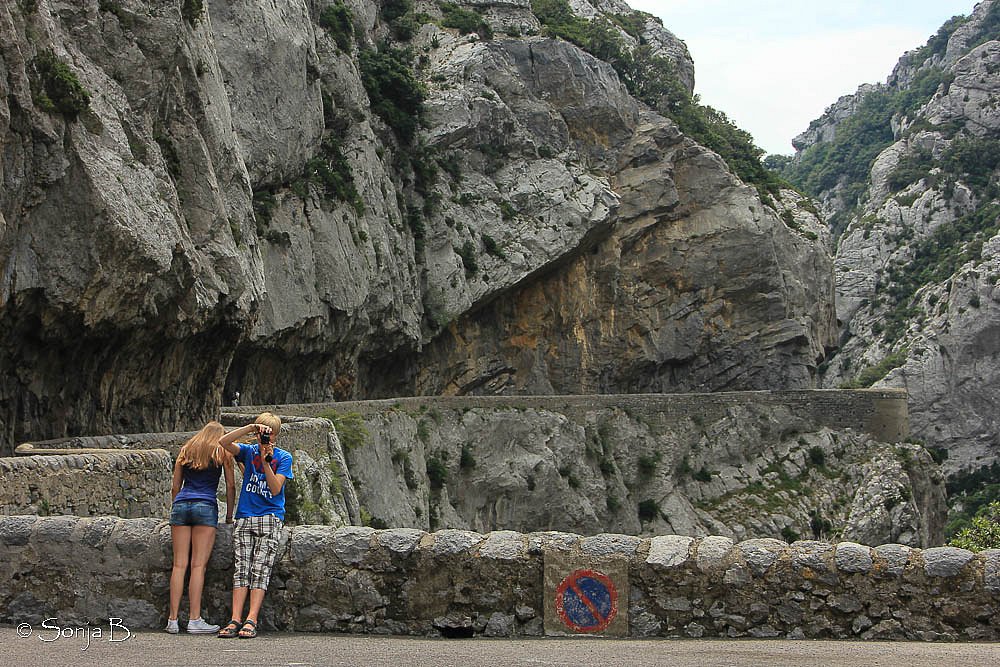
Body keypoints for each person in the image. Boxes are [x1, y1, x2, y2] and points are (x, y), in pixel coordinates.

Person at [216, 412, 294, 639]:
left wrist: (267, 460)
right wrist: (249, 428)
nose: (264, 436)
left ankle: (252, 619)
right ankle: (235, 618)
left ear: (276, 436)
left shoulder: (284, 457)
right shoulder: (248, 452)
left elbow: (275, 489)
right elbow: (223, 442)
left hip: (270, 517)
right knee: (242, 569)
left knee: (260, 569)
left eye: (268, 433)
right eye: (262, 432)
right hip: (245, 515)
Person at [166, 421, 235, 634]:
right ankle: (195, 619)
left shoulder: (186, 449)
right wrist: (229, 515)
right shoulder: (222, 451)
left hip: (181, 506)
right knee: (198, 566)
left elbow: (175, 486)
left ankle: (172, 620)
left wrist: (177, 506)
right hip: (205, 505)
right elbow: (231, 485)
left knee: (179, 565)